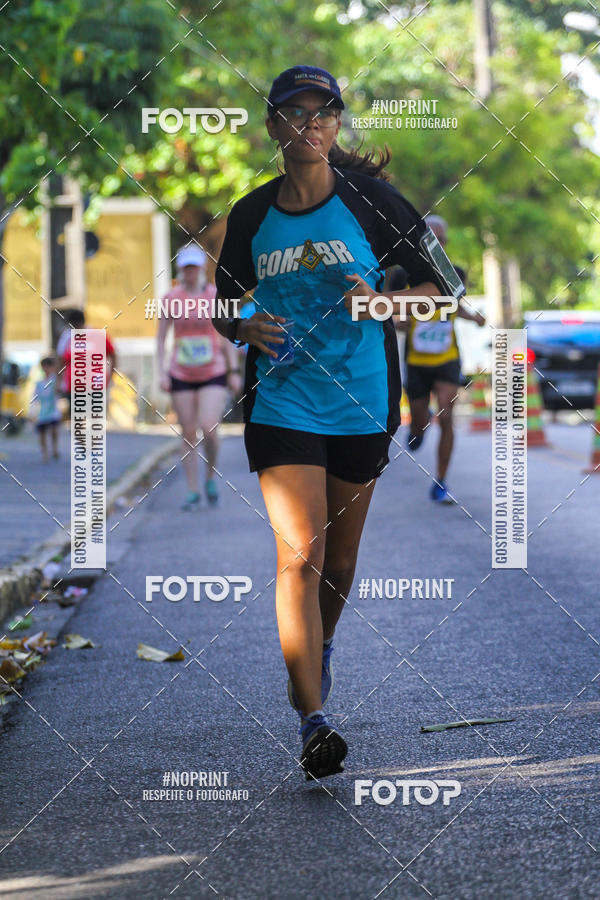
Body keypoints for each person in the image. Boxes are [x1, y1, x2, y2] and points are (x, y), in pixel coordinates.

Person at [212, 65, 461, 780]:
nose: (311, 125)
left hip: (361, 398)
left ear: (337, 125)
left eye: (325, 114)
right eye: (295, 113)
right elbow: (223, 305)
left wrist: (382, 304)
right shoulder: (253, 215)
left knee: (341, 563)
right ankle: (313, 719)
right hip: (283, 400)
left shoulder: (375, 204)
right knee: (299, 555)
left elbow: (444, 292)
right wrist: (242, 324)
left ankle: (315, 653)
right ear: (274, 126)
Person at [389, 215, 485, 504]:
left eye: (441, 238)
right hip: (416, 361)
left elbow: (454, 307)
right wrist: (398, 321)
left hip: (447, 358)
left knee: (448, 414)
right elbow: (388, 309)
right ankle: (419, 425)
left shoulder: (454, 273)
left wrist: (474, 318)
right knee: (418, 422)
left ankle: (441, 480)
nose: (436, 243)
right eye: (431, 237)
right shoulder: (401, 275)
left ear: (446, 242)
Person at [157, 244, 243, 510]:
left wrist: (233, 371)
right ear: (181, 270)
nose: (191, 272)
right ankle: (192, 490)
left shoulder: (215, 296)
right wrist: (162, 372)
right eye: (186, 267)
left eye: (195, 267)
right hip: (181, 371)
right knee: (188, 434)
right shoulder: (171, 298)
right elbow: (160, 340)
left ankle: (209, 477)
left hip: (213, 370)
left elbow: (227, 335)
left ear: (202, 268)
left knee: (209, 428)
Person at [59, 310, 116, 418]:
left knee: (95, 418)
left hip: (95, 384)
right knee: (78, 420)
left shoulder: (97, 335)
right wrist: (61, 381)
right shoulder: (67, 336)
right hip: (74, 386)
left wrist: (111, 376)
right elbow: (60, 361)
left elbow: (112, 354)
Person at [31, 356, 61, 461]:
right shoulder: (39, 383)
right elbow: (34, 398)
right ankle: (45, 453)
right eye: (45, 366)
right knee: (42, 434)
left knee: (54, 431)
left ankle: (55, 449)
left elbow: (58, 388)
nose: (47, 369)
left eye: (49, 366)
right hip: (42, 412)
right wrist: (32, 412)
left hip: (54, 411)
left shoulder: (55, 380)